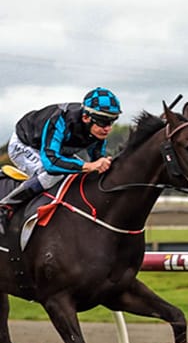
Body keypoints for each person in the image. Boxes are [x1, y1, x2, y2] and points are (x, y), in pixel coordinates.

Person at [0, 87, 120, 234]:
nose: (108, 128)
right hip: (25, 145)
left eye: (112, 121)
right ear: (86, 118)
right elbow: (51, 163)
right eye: (103, 122)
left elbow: (97, 161)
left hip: (56, 149)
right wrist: (88, 166)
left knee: (83, 173)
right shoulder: (61, 119)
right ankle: (5, 207)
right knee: (52, 175)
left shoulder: (98, 131)